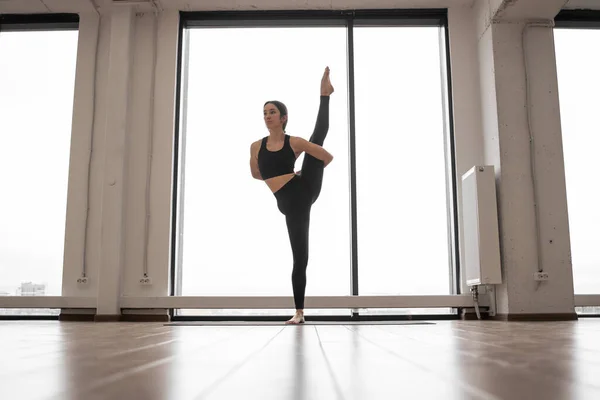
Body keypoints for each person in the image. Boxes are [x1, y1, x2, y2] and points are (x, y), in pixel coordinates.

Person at [249, 67, 335, 324]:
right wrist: (280, 179)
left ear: (283, 117)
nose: (267, 116)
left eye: (272, 112)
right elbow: (257, 174)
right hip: (284, 200)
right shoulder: (256, 146)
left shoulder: (294, 142)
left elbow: (326, 156)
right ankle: (299, 311)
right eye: (265, 113)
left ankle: (299, 312)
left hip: (302, 192)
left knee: (300, 254)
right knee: (298, 253)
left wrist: (301, 174)